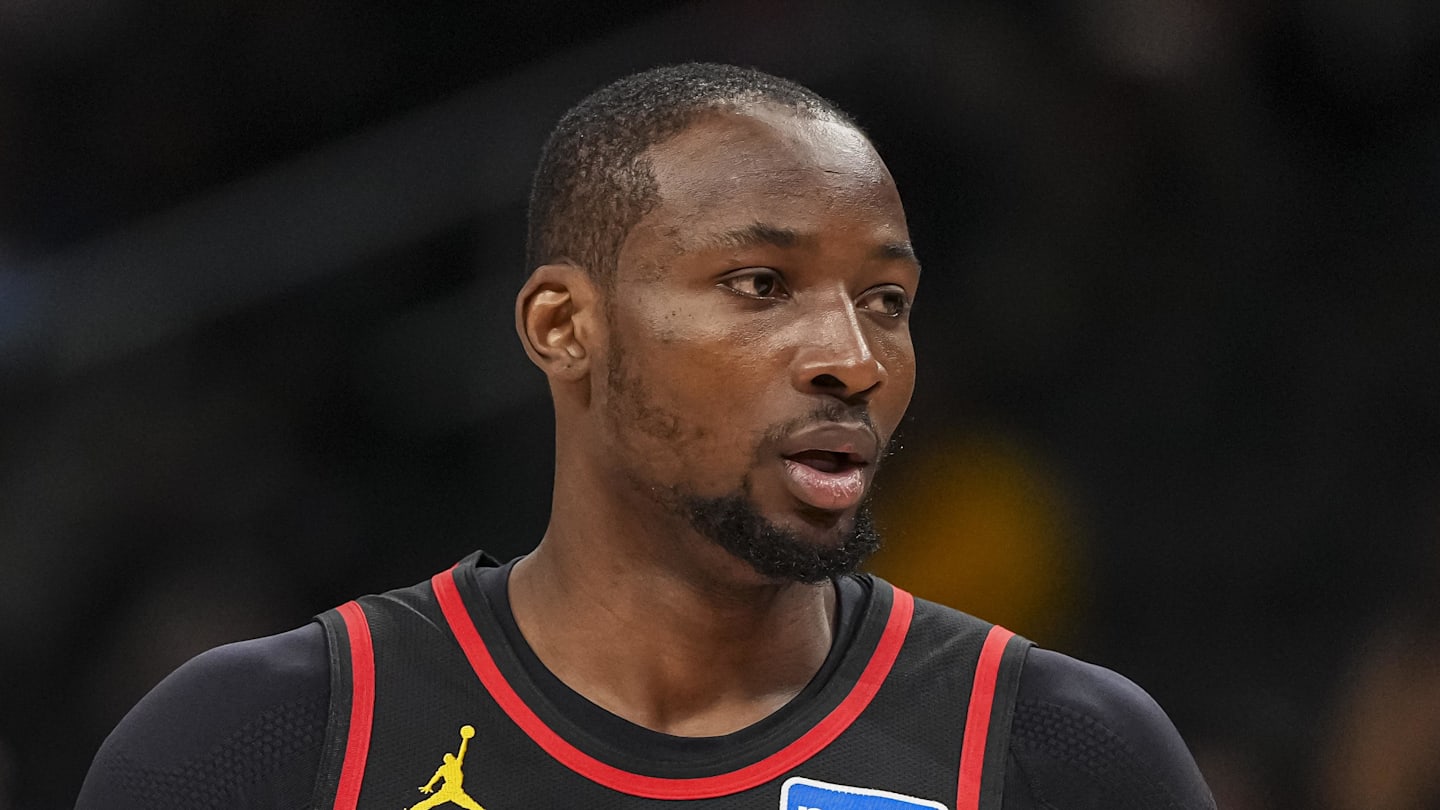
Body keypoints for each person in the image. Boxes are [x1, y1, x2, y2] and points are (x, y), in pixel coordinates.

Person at [77, 63, 1215, 810]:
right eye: (762, 284)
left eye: (886, 302)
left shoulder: (1065, 760)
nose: (855, 360)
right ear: (565, 327)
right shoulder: (262, 747)